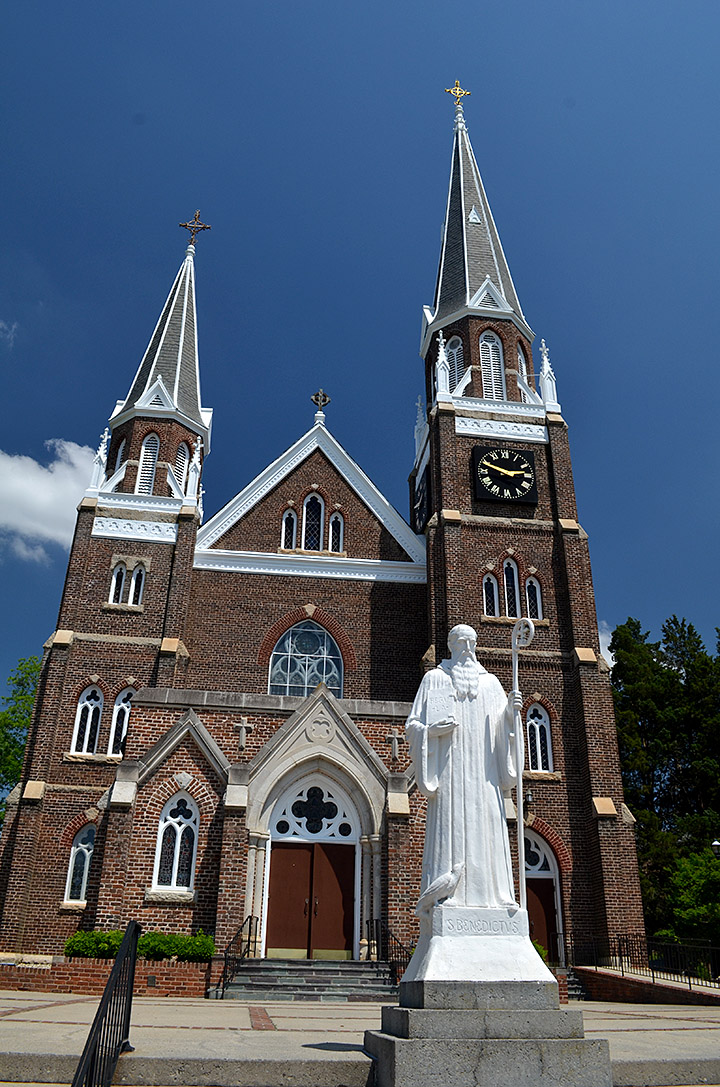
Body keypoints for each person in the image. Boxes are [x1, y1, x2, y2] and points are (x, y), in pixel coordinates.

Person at [406, 624, 522, 914]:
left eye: (472, 643)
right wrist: (430, 731)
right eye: (461, 643)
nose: (467, 650)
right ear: (451, 646)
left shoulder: (492, 684)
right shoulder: (435, 679)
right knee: (451, 830)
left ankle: (496, 896)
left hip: (485, 777)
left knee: (488, 830)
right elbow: (412, 726)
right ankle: (449, 896)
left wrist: (511, 714)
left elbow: (502, 729)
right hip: (451, 773)